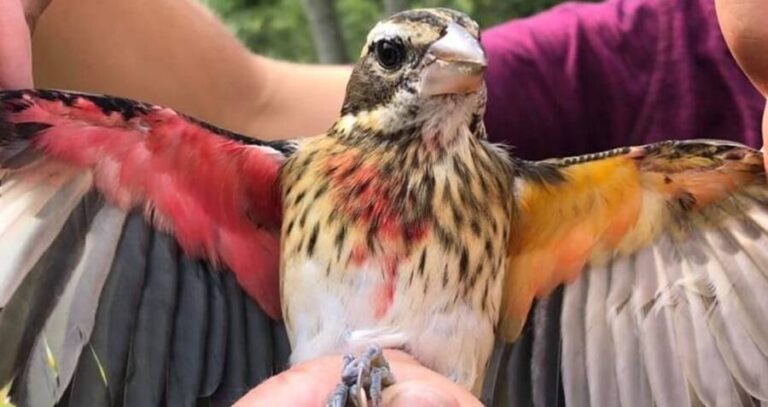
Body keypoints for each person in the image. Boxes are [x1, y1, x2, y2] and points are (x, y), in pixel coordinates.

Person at [2, 0, 768, 405]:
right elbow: (249, 97)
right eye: (401, 56)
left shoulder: (553, 202)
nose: (452, 65)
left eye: (463, 55)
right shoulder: (277, 181)